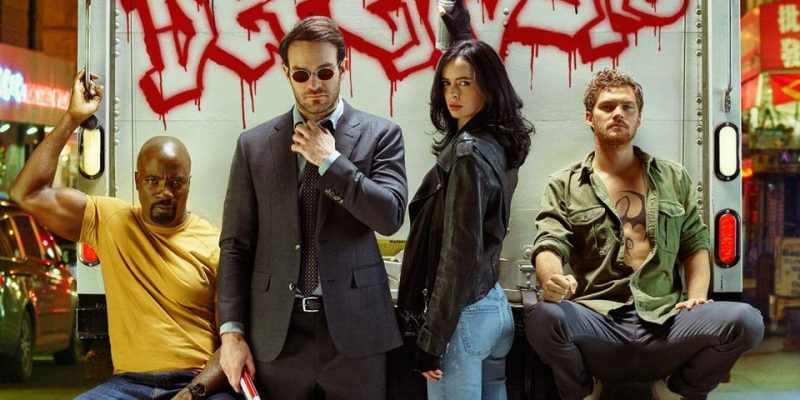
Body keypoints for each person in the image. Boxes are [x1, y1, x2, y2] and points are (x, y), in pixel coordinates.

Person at [526, 69, 764, 400]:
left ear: (639, 118)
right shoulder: (564, 184)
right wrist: (551, 278)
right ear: (589, 118)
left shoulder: (673, 177)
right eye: (607, 106)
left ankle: (677, 390)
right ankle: (583, 390)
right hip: (598, 320)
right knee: (542, 317)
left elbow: (695, 244)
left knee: (747, 321)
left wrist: (696, 296)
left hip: (666, 321)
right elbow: (549, 243)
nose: (618, 114)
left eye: (628, 107)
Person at [9, 70, 236, 400]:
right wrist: (72, 117)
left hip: (196, 382)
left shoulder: (213, 244)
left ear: (188, 183)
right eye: (153, 181)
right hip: (128, 386)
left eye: (176, 183)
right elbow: (26, 193)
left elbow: (231, 343)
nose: (165, 192)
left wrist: (192, 393)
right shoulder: (109, 220)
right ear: (138, 181)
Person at [216, 16, 408, 400]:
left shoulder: (381, 136)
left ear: (343, 67)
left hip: (356, 332)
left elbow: (389, 217)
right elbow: (236, 245)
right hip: (277, 333)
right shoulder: (254, 146)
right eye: (302, 75)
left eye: (325, 72)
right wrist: (232, 334)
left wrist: (331, 162)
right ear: (286, 72)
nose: (314, 85)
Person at [397, 38, 533, 399]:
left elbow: (458, 256)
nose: (452, 94)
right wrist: (459, 35)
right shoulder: (501, 141)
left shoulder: (467, 155)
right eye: (446, 83)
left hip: (461, 320)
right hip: (494, 306)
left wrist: (432, 339)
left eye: (465, 83)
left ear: (487, 86)